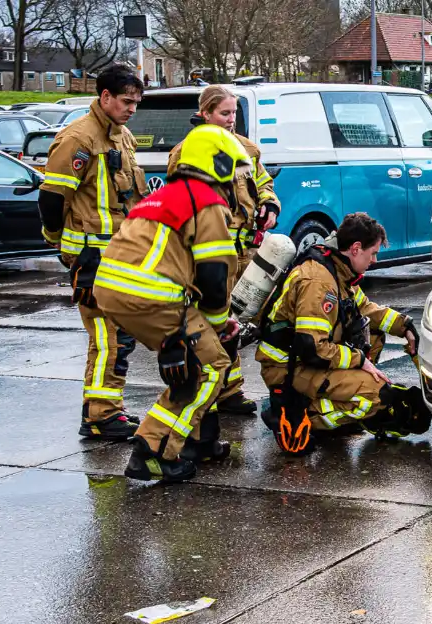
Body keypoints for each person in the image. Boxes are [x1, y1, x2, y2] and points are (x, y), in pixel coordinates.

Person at [94, 124, 249, 482]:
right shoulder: (206, 202)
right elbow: (213, 274)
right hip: (152, 295)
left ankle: (195, 442)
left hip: (115, 290)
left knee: (193, 366)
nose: (236, 184)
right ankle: (153, 451)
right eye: (235, 174)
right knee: (212, 368)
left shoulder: (165, 195)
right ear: (220, 164)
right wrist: (219, 321)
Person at [256, 212, 430, 454]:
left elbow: (364, 308)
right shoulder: (318, 282)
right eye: (373, 253)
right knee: (375, 395)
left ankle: (338, 403)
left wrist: (404, 326)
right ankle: (300, 413)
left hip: (307, 360)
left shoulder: (339, 270)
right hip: (287, 368)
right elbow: (312, 348)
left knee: (374, 330)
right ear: (356, 248)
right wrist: (359, 361)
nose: (375, 261)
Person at [37, 64, 147, 441]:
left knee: (121, 336)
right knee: (107, 335)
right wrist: (54, 236)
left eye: (136, 103)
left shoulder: (123, 137)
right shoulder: (78, 138)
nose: (132, 108)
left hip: (120, 254)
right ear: (105, 97)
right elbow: (53, 196)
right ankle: (100, 415)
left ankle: (106, 409)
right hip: (91, 258)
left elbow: (132, 196)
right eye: (126, 101)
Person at [165, 85, 280, 416]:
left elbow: (264, 185)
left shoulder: (246, 149)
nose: (231, 121)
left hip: (244, 252)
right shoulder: (185, 153)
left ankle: (231, 391)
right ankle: (209, 394)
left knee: (237, 323)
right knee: (212, 323)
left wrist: (269, 205)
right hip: (209, 255)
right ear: (205, 114)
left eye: (234, 114)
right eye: (223, 113)